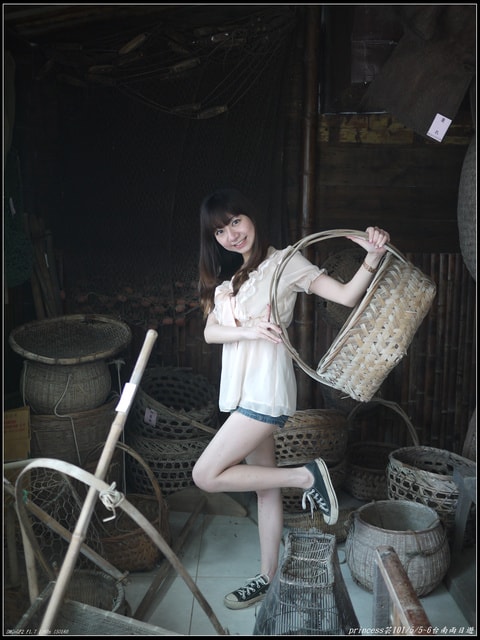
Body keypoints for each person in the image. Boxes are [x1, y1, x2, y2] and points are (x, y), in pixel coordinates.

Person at [192, 188, 390, 610]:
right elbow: (210, 332)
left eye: (235, 221)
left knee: (205, 475)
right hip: (242, 394)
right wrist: (248, 330)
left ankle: (305, 476)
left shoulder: (285, 263)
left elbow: (345, 295)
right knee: (265, 490)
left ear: (251, 217)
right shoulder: (228, 284)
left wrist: (372, 258)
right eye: (220, 231)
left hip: (265, 391)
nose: (231, 234)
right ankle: (267, 577)